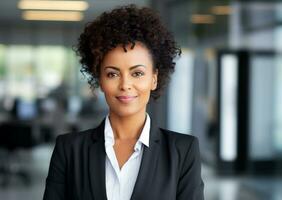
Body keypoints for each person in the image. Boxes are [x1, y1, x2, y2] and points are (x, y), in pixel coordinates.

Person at [43, 4, 204, 200]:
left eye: (137, 73)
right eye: (112, 74)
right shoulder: (69, 150)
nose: (125, 84)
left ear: (154, 78)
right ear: (100, 80)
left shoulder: (183, 151)